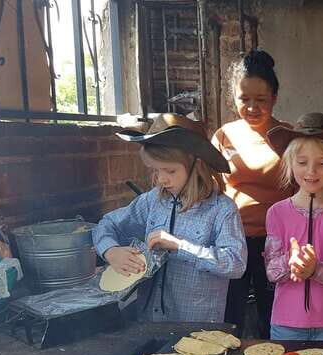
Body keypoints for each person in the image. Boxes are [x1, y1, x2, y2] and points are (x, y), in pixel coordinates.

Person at [94, 113, 247, 322]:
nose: (162, 179)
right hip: (150, 320)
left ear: (197, 165)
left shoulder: (222, 209)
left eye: (170, 170)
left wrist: (181, 246)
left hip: (198, 326)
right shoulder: (152, 201)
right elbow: (106, 225)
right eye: (156, 171)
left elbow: (235, 264)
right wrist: (110, 251)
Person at [212, 49, 293, 338]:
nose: (252, 107)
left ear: (274, 98)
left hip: (276, 240)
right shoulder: (224, 136)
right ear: (233, 97)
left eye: (261, 100)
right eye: (244, 99)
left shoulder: (288, 137)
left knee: (272, 311)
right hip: (233, 239)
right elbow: (215, 187)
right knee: (230, 310)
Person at [263, 113, 323, 341]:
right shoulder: (276, 213)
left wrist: (315, 269)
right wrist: (293, 260)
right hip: (286, 322)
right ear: (289, 163)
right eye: (302, 162)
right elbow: (272, 271)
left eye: (321, 163)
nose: (311, 171)